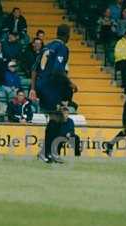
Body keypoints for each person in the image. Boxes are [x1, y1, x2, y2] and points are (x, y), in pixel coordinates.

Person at [29, 23, 72, 163]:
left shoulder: (46, 46)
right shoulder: (62, 48)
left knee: (59, 118)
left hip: (42, 85)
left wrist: (33, 88)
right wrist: (70, 82)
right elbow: (57, 70)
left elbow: (34, 69)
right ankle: (46, 152)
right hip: (51, 86)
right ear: (67, 35)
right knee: (57, 118)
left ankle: (49, 152)